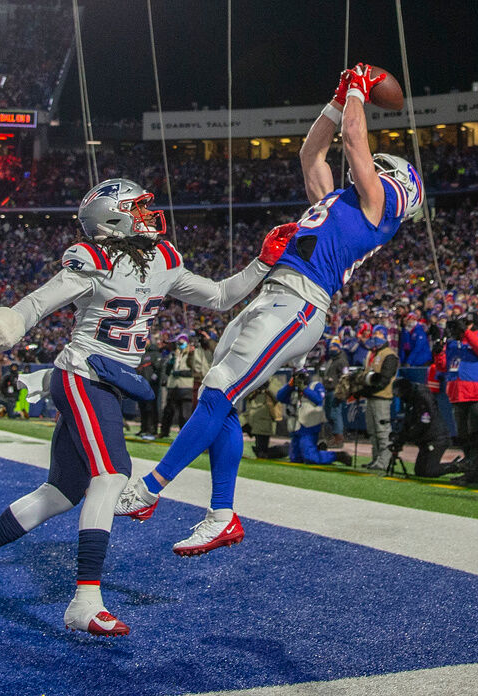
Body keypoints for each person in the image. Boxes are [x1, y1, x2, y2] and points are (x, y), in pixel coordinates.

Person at [0, 177, 290, 635]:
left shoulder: (163, 258)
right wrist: (14, 320)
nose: (148, 214)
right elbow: (41, 301)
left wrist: (262, 262)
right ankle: (85, 600)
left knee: (60, 493)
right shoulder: (92, 259)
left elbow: (219, 297)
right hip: (81, 375)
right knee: (112, 475)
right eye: (137, 207)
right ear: (113, 218)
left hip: (105, 384)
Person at [114, 64, 424, 556]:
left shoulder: (377, 207)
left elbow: (357, 147)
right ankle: (221, 516)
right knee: (220, 400)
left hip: (299, 303)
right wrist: (336, 102)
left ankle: (148, 489)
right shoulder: (343, 202)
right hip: (272, 296)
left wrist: (360, 92)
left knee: (218, 387)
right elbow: (311, 153)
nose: (365, 168)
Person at [433, 314, 478, 486]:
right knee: (464, 436)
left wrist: (466, 332)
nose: (460, 328)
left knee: (476, 436)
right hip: (457, 395)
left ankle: (473, 474)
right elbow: (444, 367)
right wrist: (438, 353)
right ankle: (470, 472)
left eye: (465, 324)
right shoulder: (453, 344)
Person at [276, 368, 352, 466]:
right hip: (295, 426)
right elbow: (279, 397)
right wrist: (289, 385)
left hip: (309, 426)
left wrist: (304, 388)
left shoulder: (315, 386)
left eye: (301, 376)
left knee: (310, 457)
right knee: (295, 458)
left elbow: (318, 399)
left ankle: (337, 456)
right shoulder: (292, 390)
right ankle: (320, 450)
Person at [390, 378, 453, 478]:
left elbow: (424, 423)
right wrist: (400, 439)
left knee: (428, 471)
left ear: (405, 390)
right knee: (420, 471)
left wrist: (407, 436)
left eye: (399, 393)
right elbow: (408, 421)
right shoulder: (411, 397)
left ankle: (461, 466)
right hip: (426, 440)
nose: (399, 397)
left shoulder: (422, 397)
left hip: (436, 439)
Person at [358, 325, 399, 471]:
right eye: (375, 333)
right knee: (372, 431)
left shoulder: (389, 355)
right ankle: (376, 458)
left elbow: (384, 379)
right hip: (372, 397)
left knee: (382, 431)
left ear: (386, 336)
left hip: (382, 397)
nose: (376, 336)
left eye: (380, 334)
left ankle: (385, 461)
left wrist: (367, 390)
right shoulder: (372, 354)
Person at [158, 334, 194, 438]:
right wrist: (170, 363)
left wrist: (180, 373)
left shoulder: (191, 355)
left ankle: (184, 435)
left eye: (181, 343)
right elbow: (169, 371)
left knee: (184, 414)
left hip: (185, 386)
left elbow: (194, 371)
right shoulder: (174, 355)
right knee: (168, 411)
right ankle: (164, 432)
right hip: (173, 386)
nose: (179, 345)